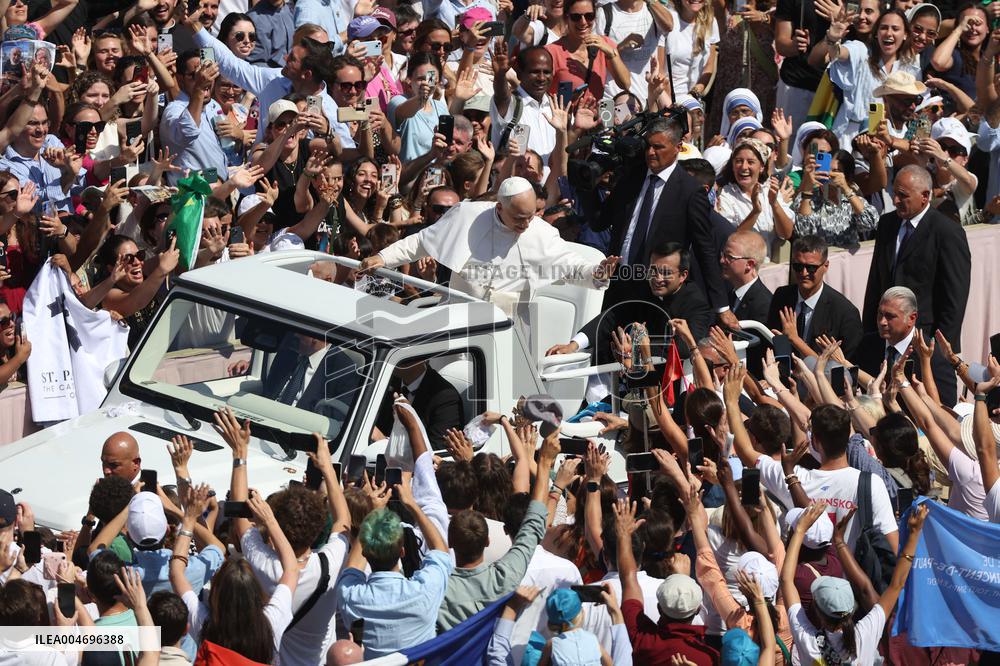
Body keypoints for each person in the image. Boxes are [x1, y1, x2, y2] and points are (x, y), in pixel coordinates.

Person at [359, 176, 618, 347]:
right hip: (460, 318)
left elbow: (572, 265)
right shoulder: (466, 216)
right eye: (519, 218)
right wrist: (383, 257)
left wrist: (598, 272)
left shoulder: (540, 232)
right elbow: (421, 242)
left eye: (530, 217)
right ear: (499, 209)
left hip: (511, 328)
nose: (526, 224)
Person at [587, 117, 725, 326]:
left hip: (657, 293)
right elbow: (599, 222)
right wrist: (584, 183)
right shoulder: (632, 177)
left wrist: (721, 306)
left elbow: (705, 249)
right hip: (618, 284)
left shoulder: (690, 191)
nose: (651, 152)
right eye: (648, 146)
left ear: (678, 147)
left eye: (659, 147)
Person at [437, 425, 558, 631]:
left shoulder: (436, 586)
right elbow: (532, 526)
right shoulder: (505, 574)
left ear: (450, 541)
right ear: (487, 540)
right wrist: (544, 464)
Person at [780, 502, 928, 665]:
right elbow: (897, 585)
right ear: (851, 610)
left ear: (818, 612)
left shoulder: (807, 640)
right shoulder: (865, 633)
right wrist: (914, 534)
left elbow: (787, 580)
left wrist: (800, 530)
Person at [861, 165, 971, 374]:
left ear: (925, 196)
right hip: (885, 341)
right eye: (894, 194)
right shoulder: (887, 224)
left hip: (924, 344)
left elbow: (954, 299)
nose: (895, 201)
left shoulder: (947, 233)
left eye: (902, 196)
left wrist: (939, 350)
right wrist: (868, 333)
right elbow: (876, 282)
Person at [336, 475, 453, 660]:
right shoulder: (425, 591)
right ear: (402, 552)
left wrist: (373, 514)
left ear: (365, 554)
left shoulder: (351, 596)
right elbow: (441, 550)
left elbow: (353, 566)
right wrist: (412, 504)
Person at [854, 286, 957, 408]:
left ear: (911, 318)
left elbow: (946, 408)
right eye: (880, 314)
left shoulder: (933, 357)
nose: (882, 322)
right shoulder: (866, 345)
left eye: (890, 316)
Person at [766, 234, 863, 359]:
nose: (804, 273)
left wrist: (794, 339)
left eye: (811, 268)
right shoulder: (782, 296)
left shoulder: (845, 313)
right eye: (798, 266)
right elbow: (769, 344)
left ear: (826, 266)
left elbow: (847, 367)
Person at [160, 50, 229, 184]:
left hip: (218, 190)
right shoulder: (173, 111)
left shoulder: (213, 105)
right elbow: (188, 132)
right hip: (190, 198)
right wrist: (199, 87)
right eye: (195, 76)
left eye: (209, 73)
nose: (206, 79)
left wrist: (238, 136)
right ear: (180, 79)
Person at [374, 359, 464, 450]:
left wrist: (383, 442)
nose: (390, 362)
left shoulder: (445, 397)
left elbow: (436, 449)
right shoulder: (388, 382)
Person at [720, 230, 772, 324]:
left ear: (750, 264)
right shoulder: (725, 291)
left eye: (730, 257)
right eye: (723, 255)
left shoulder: (763, 305)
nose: (722, 260)